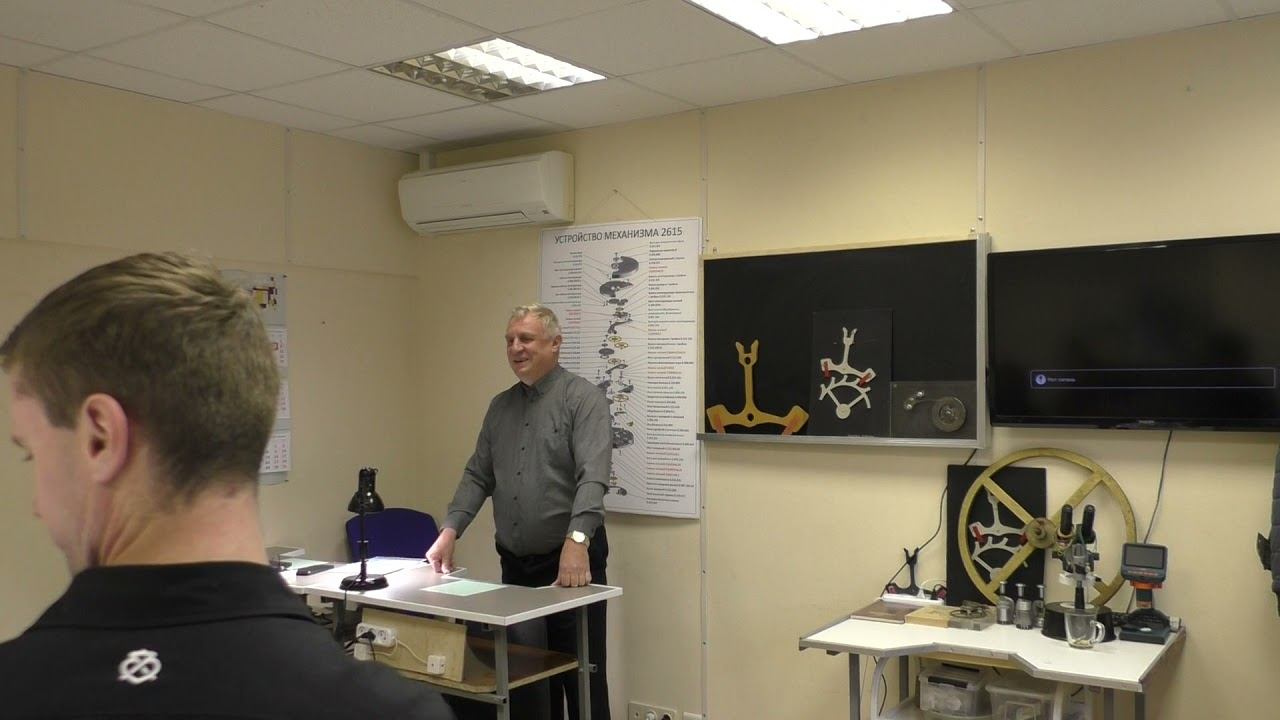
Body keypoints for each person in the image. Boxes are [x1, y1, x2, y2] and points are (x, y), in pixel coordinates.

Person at [0, 252, 454, 720]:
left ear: (100, 438)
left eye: (32, 454)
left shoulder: (17, 692)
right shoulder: (395, 711)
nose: (37, 506)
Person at [427, 304, 612, 720]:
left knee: (581, 676)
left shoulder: (583, 400)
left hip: (570, 565)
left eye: (526, 339)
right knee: (528, 681)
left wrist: (577, 541)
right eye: (509, 340)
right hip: (516, 567)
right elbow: (478, 474)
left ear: (555, 344)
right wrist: (450, 530)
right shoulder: (500, 407)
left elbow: (593, 477)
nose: (515, 348)